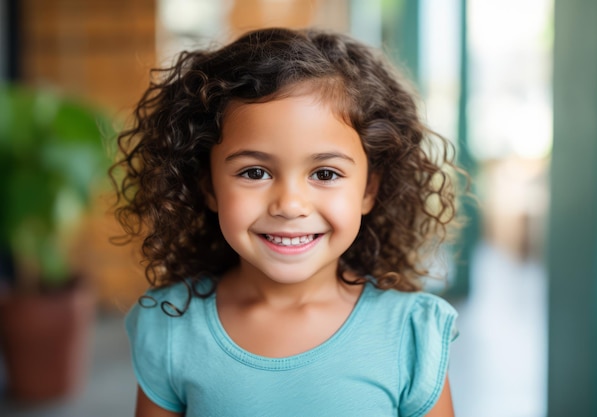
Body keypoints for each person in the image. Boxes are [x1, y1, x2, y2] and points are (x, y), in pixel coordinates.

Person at [111, 27, 463, 417]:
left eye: (325, 174)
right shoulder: (171, 326)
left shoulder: (411, 334)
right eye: (255, 172)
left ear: (368, 190)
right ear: (208, 186)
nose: (290, 205)